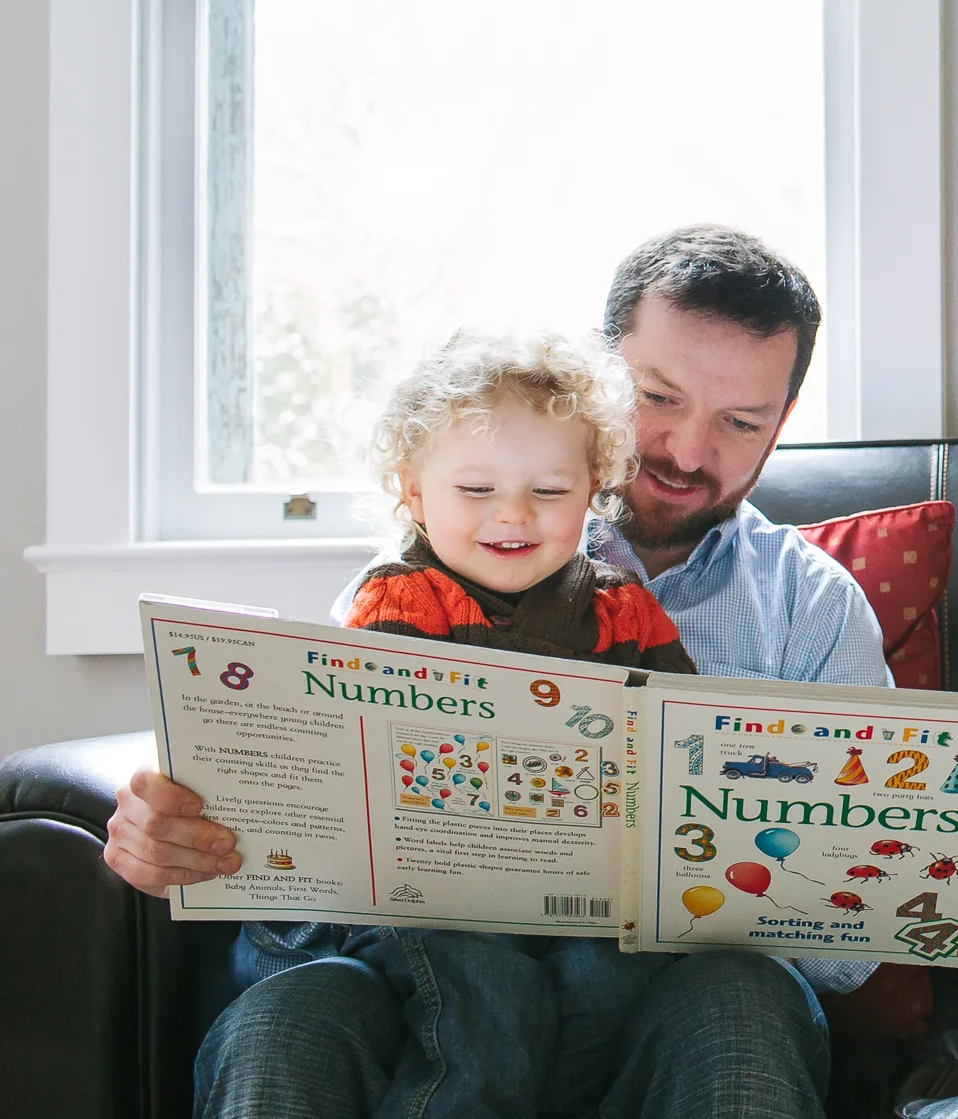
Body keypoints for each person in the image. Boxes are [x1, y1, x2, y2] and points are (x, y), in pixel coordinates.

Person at [103, 227, 891, 1119]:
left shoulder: (812, 607)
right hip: (427, 993)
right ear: (600, 383)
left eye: (739, 423)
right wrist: (208, 837)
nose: (682, 450)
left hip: (660, 1009)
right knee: (291, 1011)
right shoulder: (433, 563)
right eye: (656, 398)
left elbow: (846, 953)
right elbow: (304, 889)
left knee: (748, 999)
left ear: (782, 423)